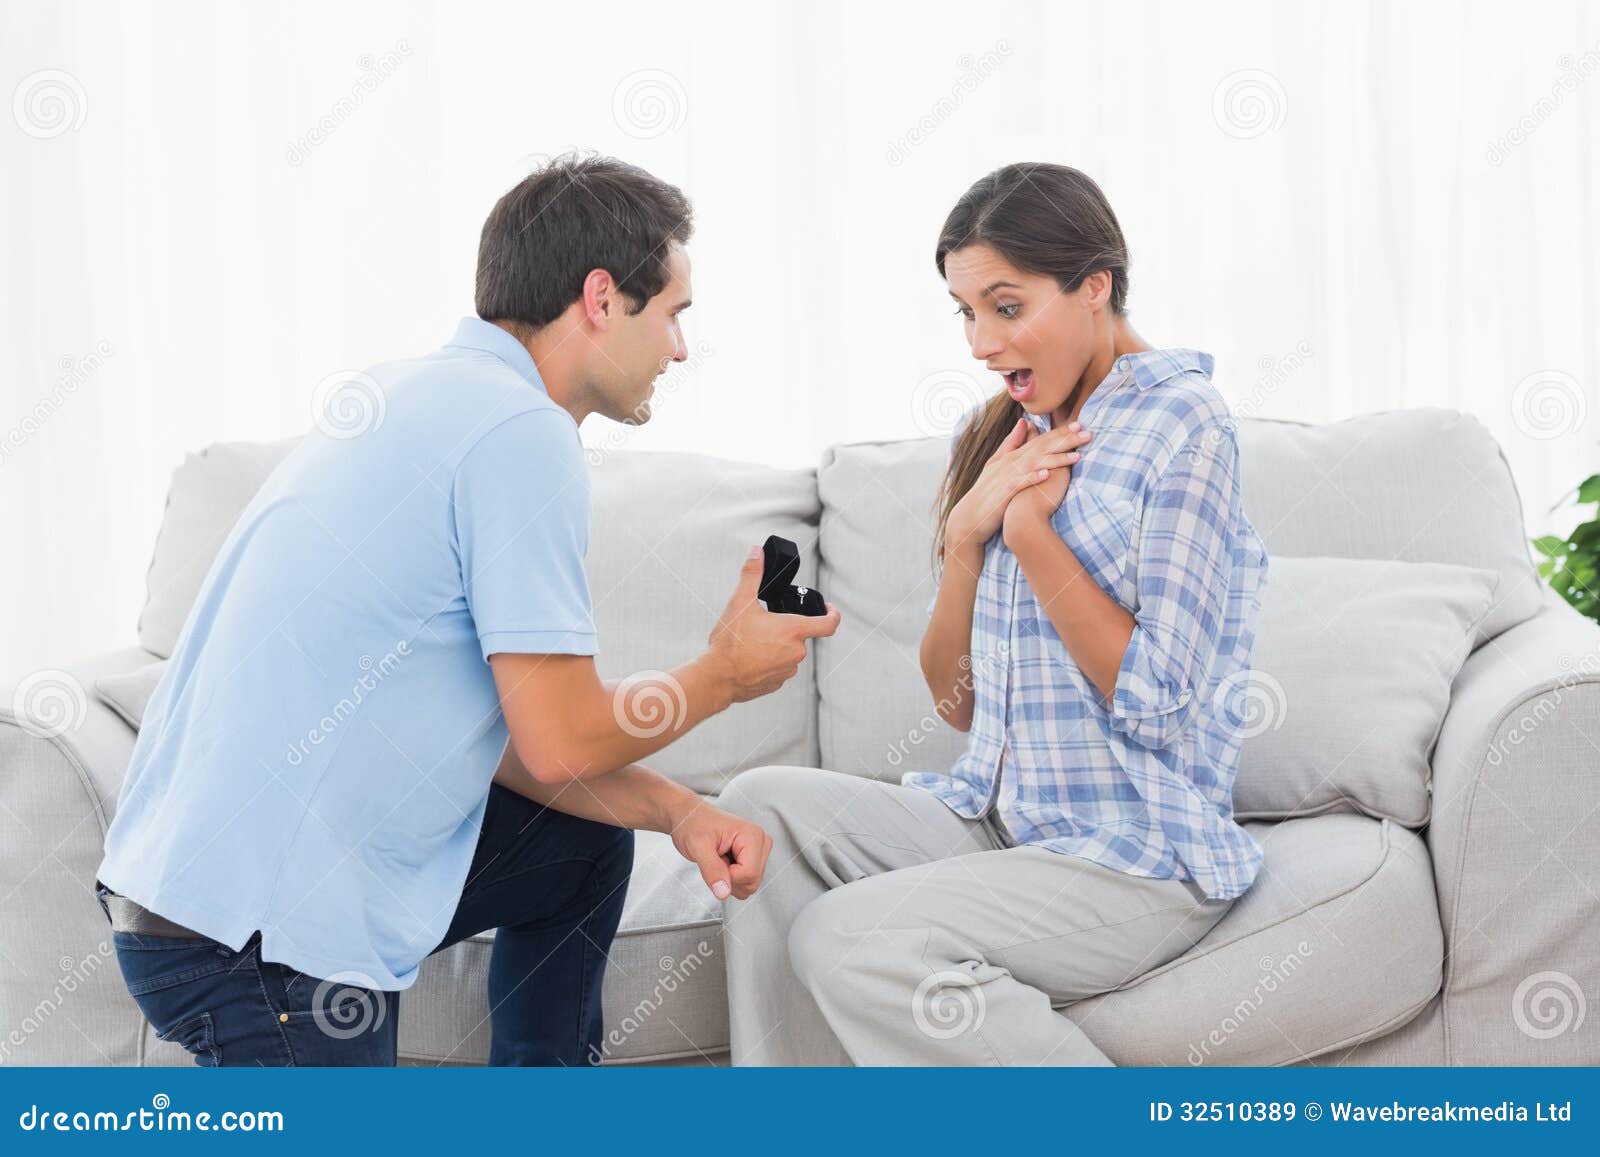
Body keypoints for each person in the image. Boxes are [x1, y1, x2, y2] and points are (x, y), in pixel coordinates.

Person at [95, 153, 838, 1067]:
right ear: (602, 299)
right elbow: (567, 741)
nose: (681, 349)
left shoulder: (425, 395)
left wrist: (681, 812)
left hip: (183, 904)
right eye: (676, 313)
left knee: (579, 846)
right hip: (257, 944)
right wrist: (723, 674)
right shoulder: (519, 433)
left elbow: (533, 747)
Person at [719, 162, 1270, 1066]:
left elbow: (1164, 699)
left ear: (1094, 286)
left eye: (1005, 307)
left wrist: (1029, 530)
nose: (980, 342)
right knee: (756, 811)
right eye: (966, 311)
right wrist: (971, 538)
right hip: (1001, 816)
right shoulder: (1006, 433)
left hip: (1134, 849)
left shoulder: (1186, 424)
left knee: (848, 936)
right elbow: (960, 706)